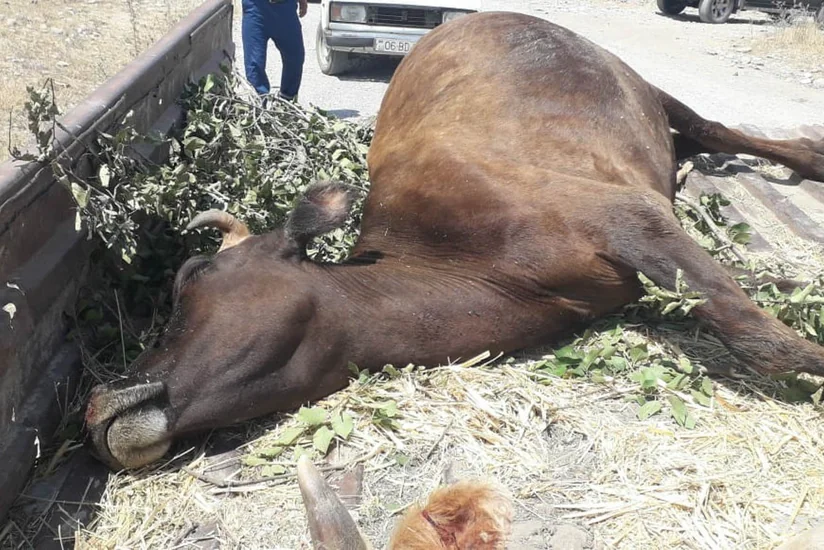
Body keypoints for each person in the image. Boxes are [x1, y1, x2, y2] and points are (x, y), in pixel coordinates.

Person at [241, 0, 308, 101]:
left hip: (286, 10)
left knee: (295, 57)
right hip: (256, 10)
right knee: (254, 63)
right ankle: (258, 106)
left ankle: (287, 100)